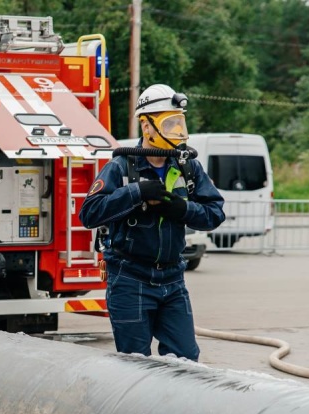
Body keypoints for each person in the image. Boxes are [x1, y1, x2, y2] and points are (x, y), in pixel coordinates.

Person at [79, 84, 225, 361]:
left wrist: (182, 208)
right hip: (130, 278)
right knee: (136, 363)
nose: (178, 131)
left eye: (179, 122)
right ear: (147, 127)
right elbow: (90, 213)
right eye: (169, 123)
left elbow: (214, 213)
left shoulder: (187, 166)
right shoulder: (122, 167)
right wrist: (136, 193)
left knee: (186, 359)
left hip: (172, 279)